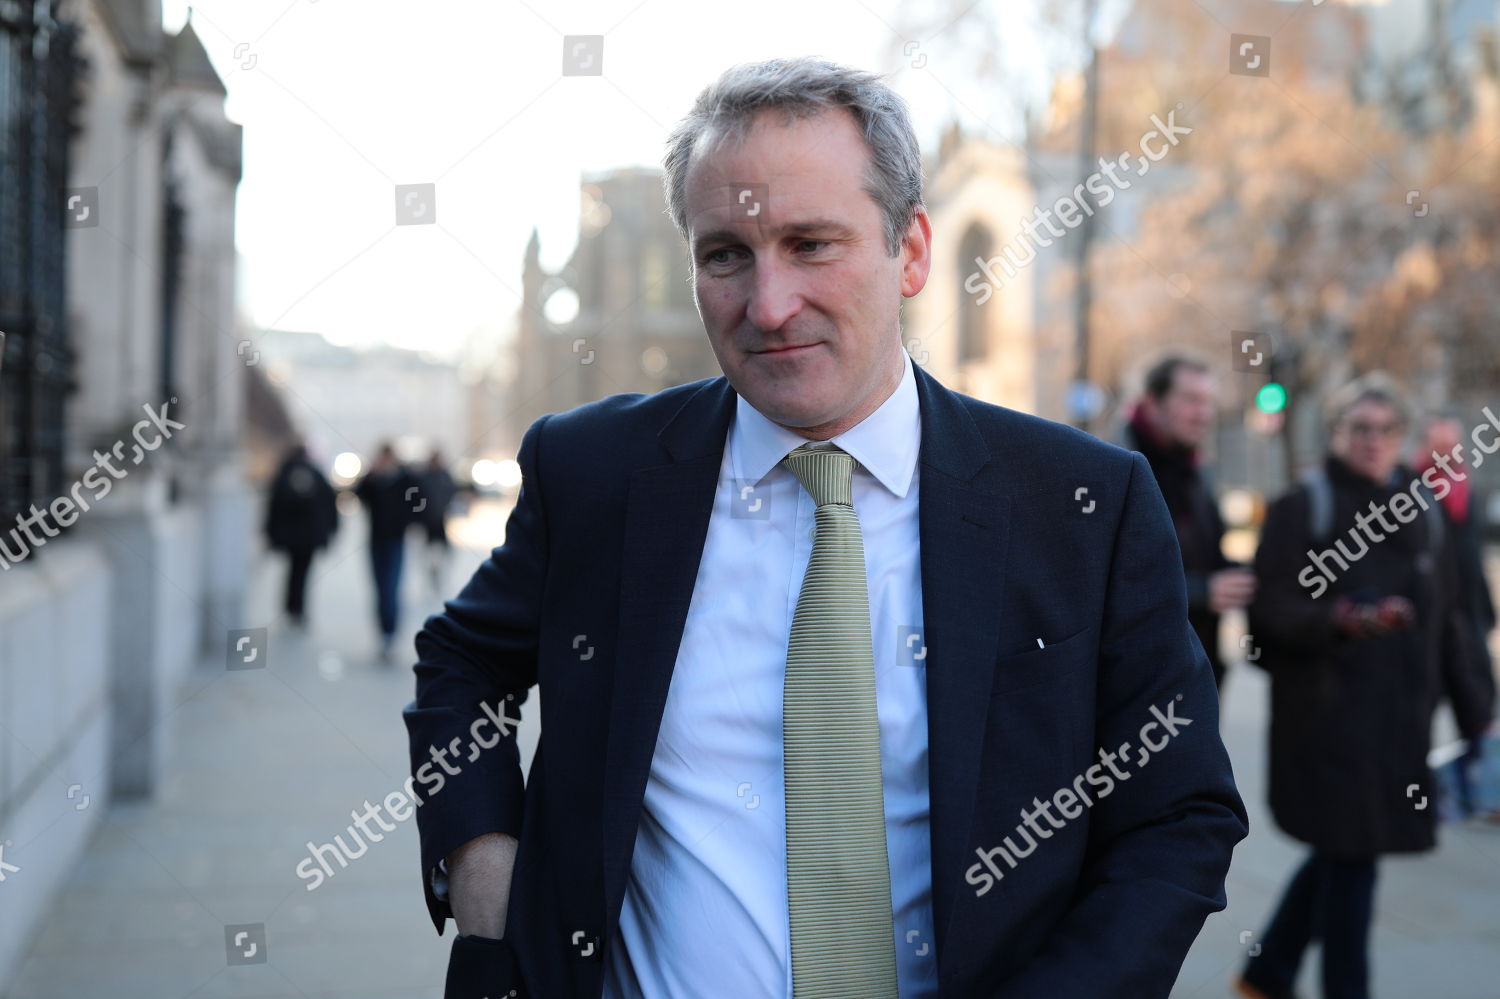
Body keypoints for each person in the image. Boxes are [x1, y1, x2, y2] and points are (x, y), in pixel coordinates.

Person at [405, 58, 1246, 999]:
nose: (768, 306)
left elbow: (1177, 812)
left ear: (912, 251)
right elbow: (462, 661)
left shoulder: (1084, 505)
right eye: (727, 253)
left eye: (811, 245)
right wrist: (483, 872)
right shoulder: (597, 473)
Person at [1237, 374, 1481, 999]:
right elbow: (1268, 613)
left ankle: (1267, 972)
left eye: (1386, 431)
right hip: (1327, 725)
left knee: (1346, 856)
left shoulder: (1421, 509)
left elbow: (1451, 617)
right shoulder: (1304, 505)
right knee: (1354, 861)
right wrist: (1342, 620)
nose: (1374, 442)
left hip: (1399, 724)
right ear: (1338, 434)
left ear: (1402, 439)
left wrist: (1481, 713)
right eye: (1360, 430)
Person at [1122, 355, 1255, 690]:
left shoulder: (1197, 471)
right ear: (1152, 403)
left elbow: (1211, 553)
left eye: (1209, 402)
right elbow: (1112, 577)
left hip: (1194, 671)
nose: (1204, 413)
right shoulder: (1112, 468)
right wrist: (1199, 591)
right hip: (1137, 675)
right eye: (1191, 400)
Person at [1414, 414, 1498, 819]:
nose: (1447, 455)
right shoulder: (1408, 493)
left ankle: (1484, 789)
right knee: (1421, 708)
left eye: (1453, 447)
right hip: (1433, 622)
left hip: (1470, 620)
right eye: (1439, 448)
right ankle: (1415, 791)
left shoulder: (1470, 489)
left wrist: (1487, 611)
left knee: (1481, 704)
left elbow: (1473, 558)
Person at [263, 441, 338, 628]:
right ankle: (299, 609)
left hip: (290, 536)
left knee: (291, 571)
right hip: (310, 536)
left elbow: (273, 507)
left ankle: (290, 607)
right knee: (303, 572)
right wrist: (331, 530)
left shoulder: (284, 473)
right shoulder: (316, 474)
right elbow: (329, 504)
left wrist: (271, 533)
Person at [355, 442, 419, 660]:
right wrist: (369, 476)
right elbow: (357, 495)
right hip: (375, 540)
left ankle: (390, 634)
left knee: (391, 587)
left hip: (396, 541)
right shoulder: (373, 480)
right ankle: (382, 633)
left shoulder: (405, 479)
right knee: (379, 589)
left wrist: (406, 523)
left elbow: (418, 504)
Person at [415, 449, 458, 594]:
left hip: (441, 521)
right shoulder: (424, 477)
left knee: (444, 552)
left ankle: (438, 576)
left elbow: (451, 493)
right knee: (428, 554)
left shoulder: (445, 476)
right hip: (427, 522)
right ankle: (431, 576)